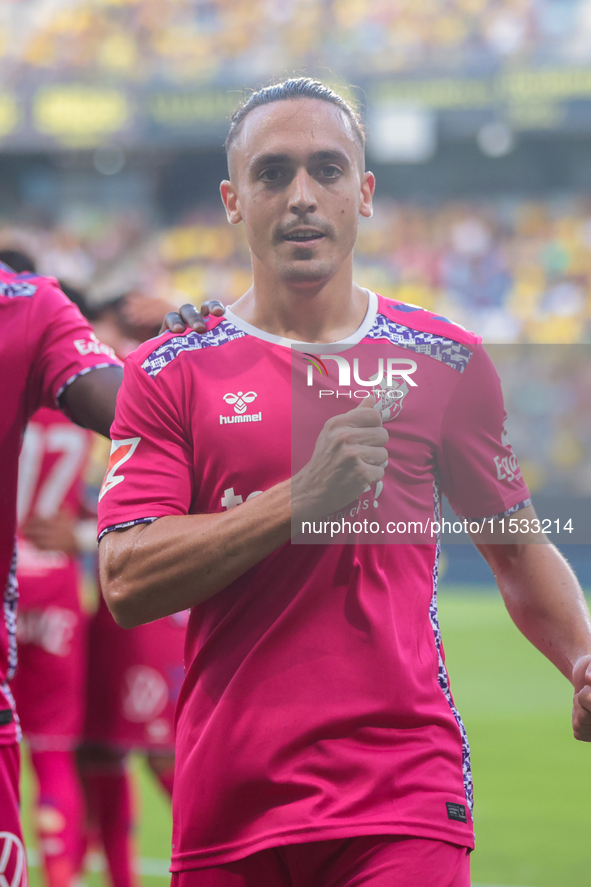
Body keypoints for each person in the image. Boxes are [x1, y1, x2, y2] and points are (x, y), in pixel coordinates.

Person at [97, 78, 591, 887]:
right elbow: (125, 578)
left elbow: (515, 547)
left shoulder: (444, 360)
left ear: (362, 194)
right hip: (228, 800)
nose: (301, 197)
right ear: (232, 199)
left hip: (401, 795)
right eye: (272, 173)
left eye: (326, 170)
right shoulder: (168, 370)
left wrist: (579, 656)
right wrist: (298, 499)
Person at [0, 248, 221, 887]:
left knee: (120, 748)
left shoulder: (45, 364)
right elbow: (138, 422)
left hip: (64, 581)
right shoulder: (46, 347)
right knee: (73, 754)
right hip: (60, 592)